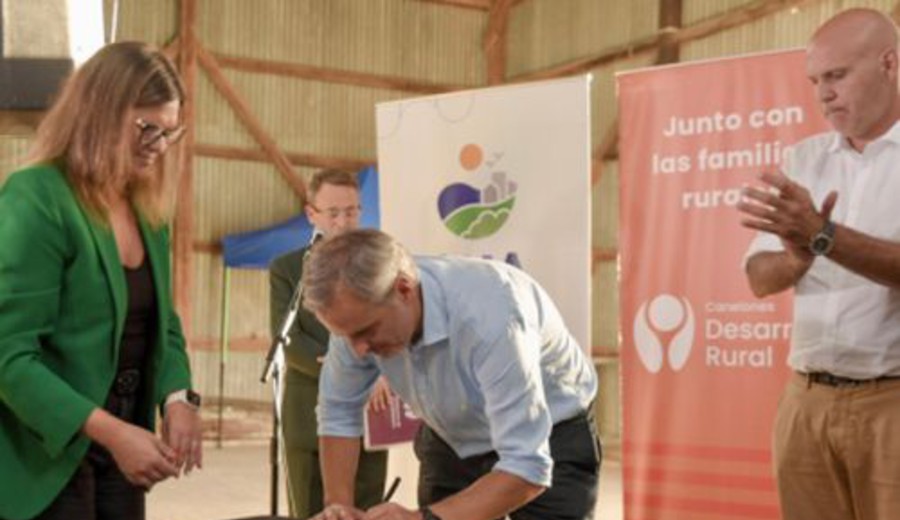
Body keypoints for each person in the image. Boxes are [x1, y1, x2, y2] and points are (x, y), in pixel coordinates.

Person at [0, 42, 202, 520]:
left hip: (120, 451)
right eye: (146, 128)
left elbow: (164, 325)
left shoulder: (147, 210)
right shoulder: (37, 198)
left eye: (169, 133)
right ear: (97, 114)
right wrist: (112, 432)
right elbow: (9, 354)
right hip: (44, 455)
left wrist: (177, 398)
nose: (157, 147)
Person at [303, 229, 600, 520]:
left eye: (366, 332)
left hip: (551, 431)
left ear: (404, 290)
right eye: (345, 337)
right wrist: (338, 508)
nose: (357, 350)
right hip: (452, 437)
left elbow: (527, 467)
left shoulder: (492, 315)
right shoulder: (356, 316)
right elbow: (339, 412)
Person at [738, 8, 900, 520]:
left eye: (837, 76)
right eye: (815, 81)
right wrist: (797, 257)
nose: (823, 94)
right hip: (805, 401)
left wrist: (824, 235)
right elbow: (757, 278)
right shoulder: (804, 159)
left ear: (890, 64)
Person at [269, 170, 388, 518]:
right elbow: (286, 339)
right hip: (307, 408)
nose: (343, 221)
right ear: (312, 214)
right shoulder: (289, 269)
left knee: (366, 502)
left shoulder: (381, 266)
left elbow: (393, 329)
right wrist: (340, 367)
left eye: (351, 211)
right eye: (333, 213)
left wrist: (384, 374)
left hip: (371, 405)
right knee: (311, 507)